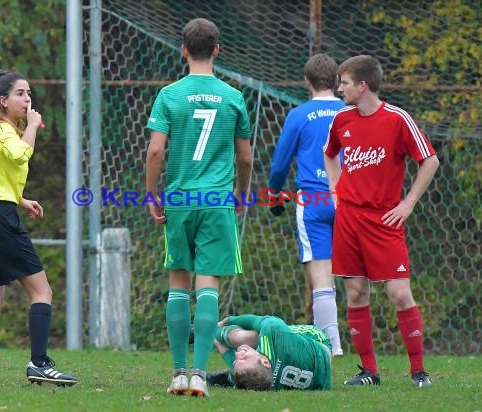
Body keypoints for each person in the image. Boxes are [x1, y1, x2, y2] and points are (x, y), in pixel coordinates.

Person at [145, 18, 253, 397]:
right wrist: (240, 193)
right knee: (208, 285)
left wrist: (151, 193)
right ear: (218, 50)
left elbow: (156, 149)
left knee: (179, 282)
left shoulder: (169, 95)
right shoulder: (233, 97)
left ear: (183, 49)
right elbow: (245, 157)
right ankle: (200, 376)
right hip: (217, 199)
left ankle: (177, 373)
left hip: (180, 198)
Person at [323, 55, 440, 388]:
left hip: (384, 220)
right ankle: (369, 372)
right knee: (356, 293)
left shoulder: (397, 119)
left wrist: (408, 203)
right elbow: (329, 153)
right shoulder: (342, 119)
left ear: (362, 86)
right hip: (349, 218)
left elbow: (429, 161)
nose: (339, 88)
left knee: (400, 295)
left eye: (344, 83)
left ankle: (419, 371)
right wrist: (335, 189)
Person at [0, 70, 77, 388]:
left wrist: (21, 199)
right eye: (20, 94)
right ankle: (39, 363)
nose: (28, 99)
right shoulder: (3, 130)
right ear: (3, 100)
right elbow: (19, 154)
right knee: (42, 292)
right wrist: (34, 129)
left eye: (29, 93)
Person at [267, 53, 345, 355]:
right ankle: (366, 354)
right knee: (353, 276)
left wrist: (273, 195)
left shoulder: (299, 115)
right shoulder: (351, 111)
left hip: (313, 201)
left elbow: (279, 166)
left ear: (306, 82)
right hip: (350, 201)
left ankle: (332, 349)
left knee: (321, 277)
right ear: (337, 81)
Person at [209, 314, 332, 391]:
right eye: (244, 357)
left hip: (321, 376)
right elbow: (256, 321)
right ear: (265, 362)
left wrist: (212, 337)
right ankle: (215, 329)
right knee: (242, 338)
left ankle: (209, 331)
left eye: (236, 360)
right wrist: (228, 320)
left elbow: (232, 364)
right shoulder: (273, 333)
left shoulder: (265, 384)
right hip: (319, 343)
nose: (237, 354)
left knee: (238, 373)